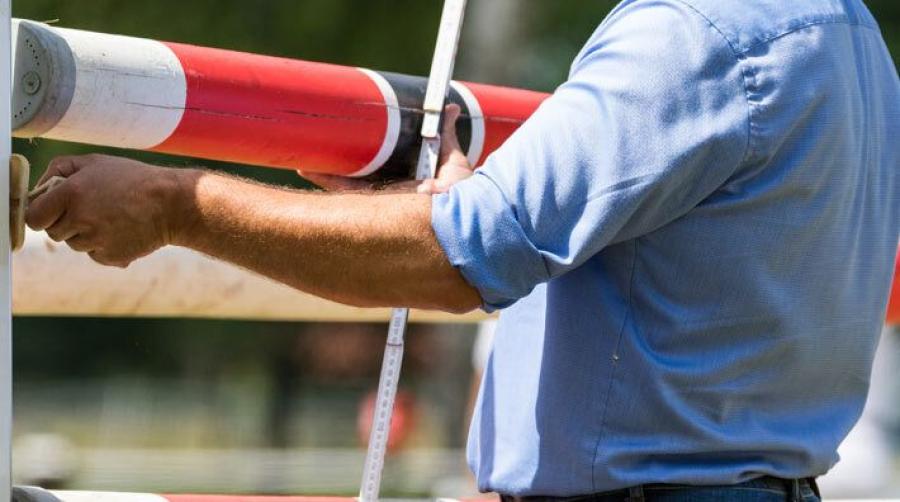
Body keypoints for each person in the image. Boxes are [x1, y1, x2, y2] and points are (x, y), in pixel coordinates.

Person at [23, 0, 900, 500]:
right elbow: (691, 256)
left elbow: (454, 257)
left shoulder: (697, 36)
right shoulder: (852, 37)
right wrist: (418, 214)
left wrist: (176, 205)